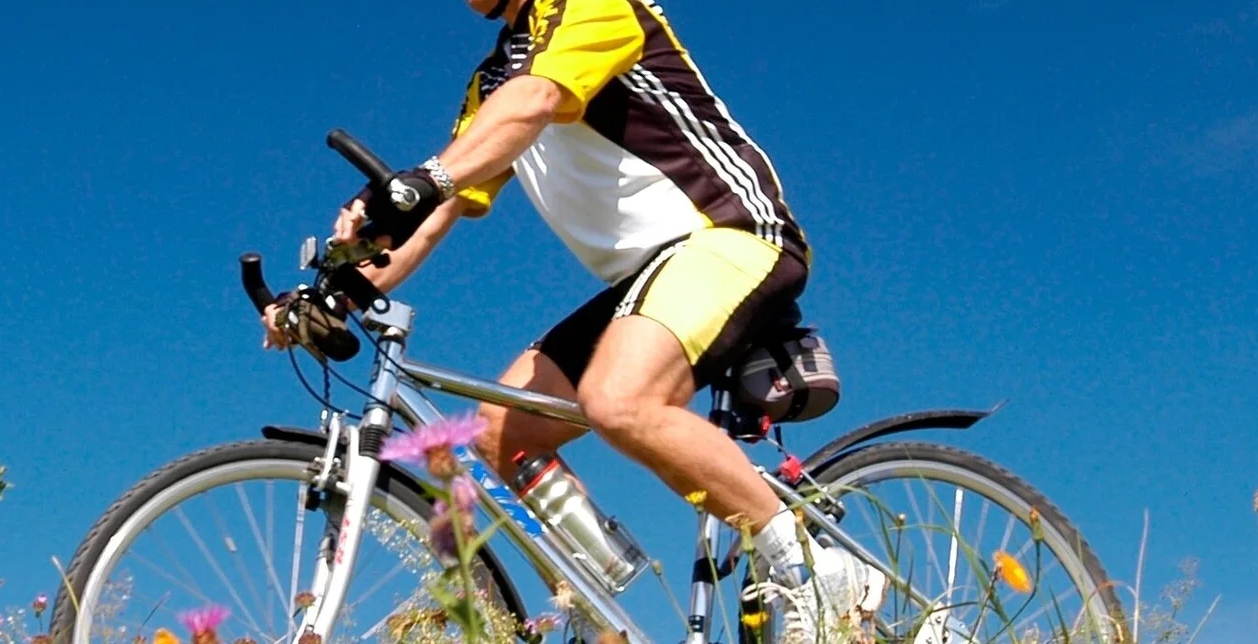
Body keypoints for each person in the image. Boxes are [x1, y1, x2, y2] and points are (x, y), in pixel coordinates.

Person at [262, 0, 884, 640]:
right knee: (497, 434)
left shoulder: (594, 5)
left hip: (728, 234)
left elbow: (534, 100)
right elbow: (438, 209)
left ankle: (816, 570)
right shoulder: (491, 82)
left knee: (620, 399)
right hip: (645, 277)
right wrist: (339, 294)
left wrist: (425, 179)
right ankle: (603, 622)